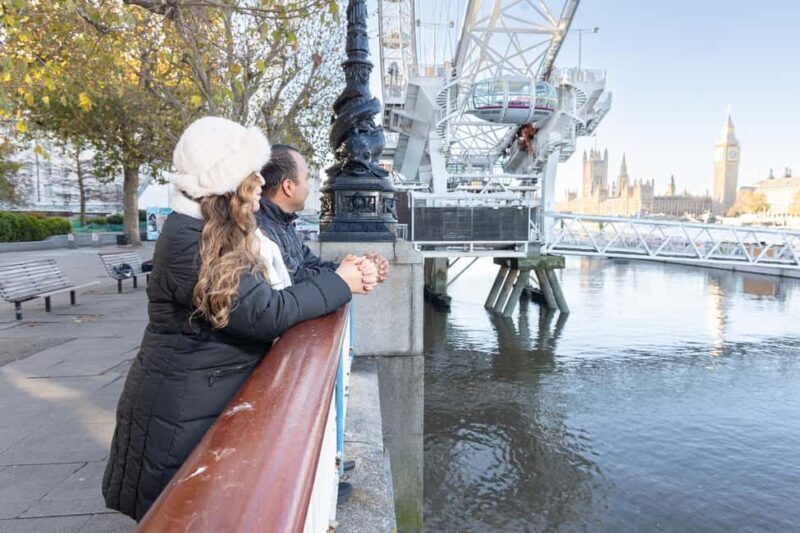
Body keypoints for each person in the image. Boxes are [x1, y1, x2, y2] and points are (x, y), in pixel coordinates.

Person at [102, 116, 377, 521]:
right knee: (181, 515)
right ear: (226, 185)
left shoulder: (211, 230)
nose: (258, 191)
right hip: (179, 412)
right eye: (251, 182)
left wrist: (342, 277)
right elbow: (265, 311)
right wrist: (341, 282)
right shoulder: (190, 241)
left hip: (197, 396)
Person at [256, 144, 390, 284]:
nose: (309, 186)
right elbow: (295, 277)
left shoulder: (284, 223)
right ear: (288, 186)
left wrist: (361, 268)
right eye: (307, 178)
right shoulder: (260, 229)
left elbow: (313, 264)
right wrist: (355, 275)